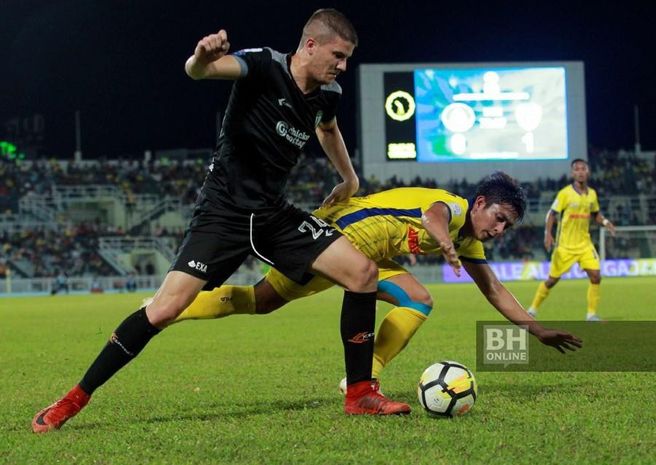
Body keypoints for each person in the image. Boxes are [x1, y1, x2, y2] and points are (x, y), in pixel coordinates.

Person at [32, 9, 410, 434]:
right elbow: (203, 70)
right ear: (310, 45)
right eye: (338, 56)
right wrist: (200, 56)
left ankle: (359, 393)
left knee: (362, 272)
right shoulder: (264, 66)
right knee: (165, 309)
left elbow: (328, 129)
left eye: (347, 58)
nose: (342, 66)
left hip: (272, 213)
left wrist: (350, 177)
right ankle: (74, 398)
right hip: (223, 211)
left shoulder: (328, 92)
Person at [171, 173, 583, 384]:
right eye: (498, 219)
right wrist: (443, 240)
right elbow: (434, 214)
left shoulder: (469, 239)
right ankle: (172, 306)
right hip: (334, 237)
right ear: (479, 204)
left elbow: (494, 290)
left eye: (507, 227)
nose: (499, 231)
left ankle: (362, 376)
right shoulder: (455, 210)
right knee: (260, 301)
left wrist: (537, 330)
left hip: (366, 256)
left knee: (419, 299)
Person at [527, 158, 616, 321]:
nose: (580, 172)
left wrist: (605, 222)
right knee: (552, 280)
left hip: (584, 245)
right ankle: (532, 309)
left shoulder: (592, 194)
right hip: (565, 246)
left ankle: (591, 315)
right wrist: (548, 234)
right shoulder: (565, 193)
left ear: (588, 172)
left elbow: (595, 214)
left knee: (596, 276)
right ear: (572, 173)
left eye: (583, 169)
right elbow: (551, 214)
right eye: (577, 169)